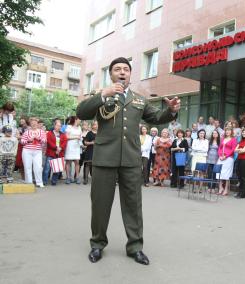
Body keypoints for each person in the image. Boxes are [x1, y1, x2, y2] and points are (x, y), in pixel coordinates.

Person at [76, 57, 180, 265]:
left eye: (126, 69)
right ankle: (97, 244)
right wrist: (102, 94)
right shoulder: (103, 95)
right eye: (117, 69)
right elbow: (81, 112)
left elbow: (157, 118)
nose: (122, 72)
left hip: (131, 160)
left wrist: (171, 111)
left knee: (133, 205)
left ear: (130, 74)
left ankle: (135, 247)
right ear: (111, 74)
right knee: (100, 205)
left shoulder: (139, 100)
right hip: (105, 158)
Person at [21, 117, 46, 187]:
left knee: (38, 167)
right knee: (27, 167)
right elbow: (22, 141)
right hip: (27, 151)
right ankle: (29, 183)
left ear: (37, 124)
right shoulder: (27, 132)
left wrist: (39, 138)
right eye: (32, 123)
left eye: (35, 123)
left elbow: (44, 141)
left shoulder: (41, 132)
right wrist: (29, 140)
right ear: (30, 124)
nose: (34, 124)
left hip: (37, 151)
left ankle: (39, 182)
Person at [43, 119, 67, 186]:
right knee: (47, 168)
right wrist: (56, 148)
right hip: (51, 152)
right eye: (58, 125)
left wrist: (60, 148)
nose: (59, 127)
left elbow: (65, 142)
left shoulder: (63, 134)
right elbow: (49, 142)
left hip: (59, 153)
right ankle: (44, 181)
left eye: (60, 126)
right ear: (54, 125)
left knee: (57, 169)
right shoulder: (49, 133)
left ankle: (54, 181)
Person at [217, 127, 237, 196]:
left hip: (228, 158)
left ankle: (226, 189)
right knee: (219, 172)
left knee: (227, 174)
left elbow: (233, 149)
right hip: (220, 158)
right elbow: (219, 148)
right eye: (226, 131)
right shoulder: (222, 139)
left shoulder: (233, 139)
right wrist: (220, 155)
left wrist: (226, 156)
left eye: (229, 130)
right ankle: (220, 188)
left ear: (231, 132)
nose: (227, 132)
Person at [64, 116, 82, 184]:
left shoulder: (79, 127)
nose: (80, 120)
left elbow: (80, 136)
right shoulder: (69, 127)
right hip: (70, 146)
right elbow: (67, 136)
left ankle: (77, 177)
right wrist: (76, 137)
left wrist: (80, 140)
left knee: (77, 162)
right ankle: (68, 177)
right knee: (68, 162)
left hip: (77, 146)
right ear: (75, 120)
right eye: (79, 119)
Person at [234, 128, 245, 198]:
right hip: (239, 159)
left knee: (244, 177)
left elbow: (244, 150)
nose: (244, 133)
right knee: (239, 176)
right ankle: (240, 191)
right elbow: (235, 150)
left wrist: (240, 150)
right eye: (243, 132)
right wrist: (240, 150)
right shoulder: (241, 141)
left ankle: (243, 193)